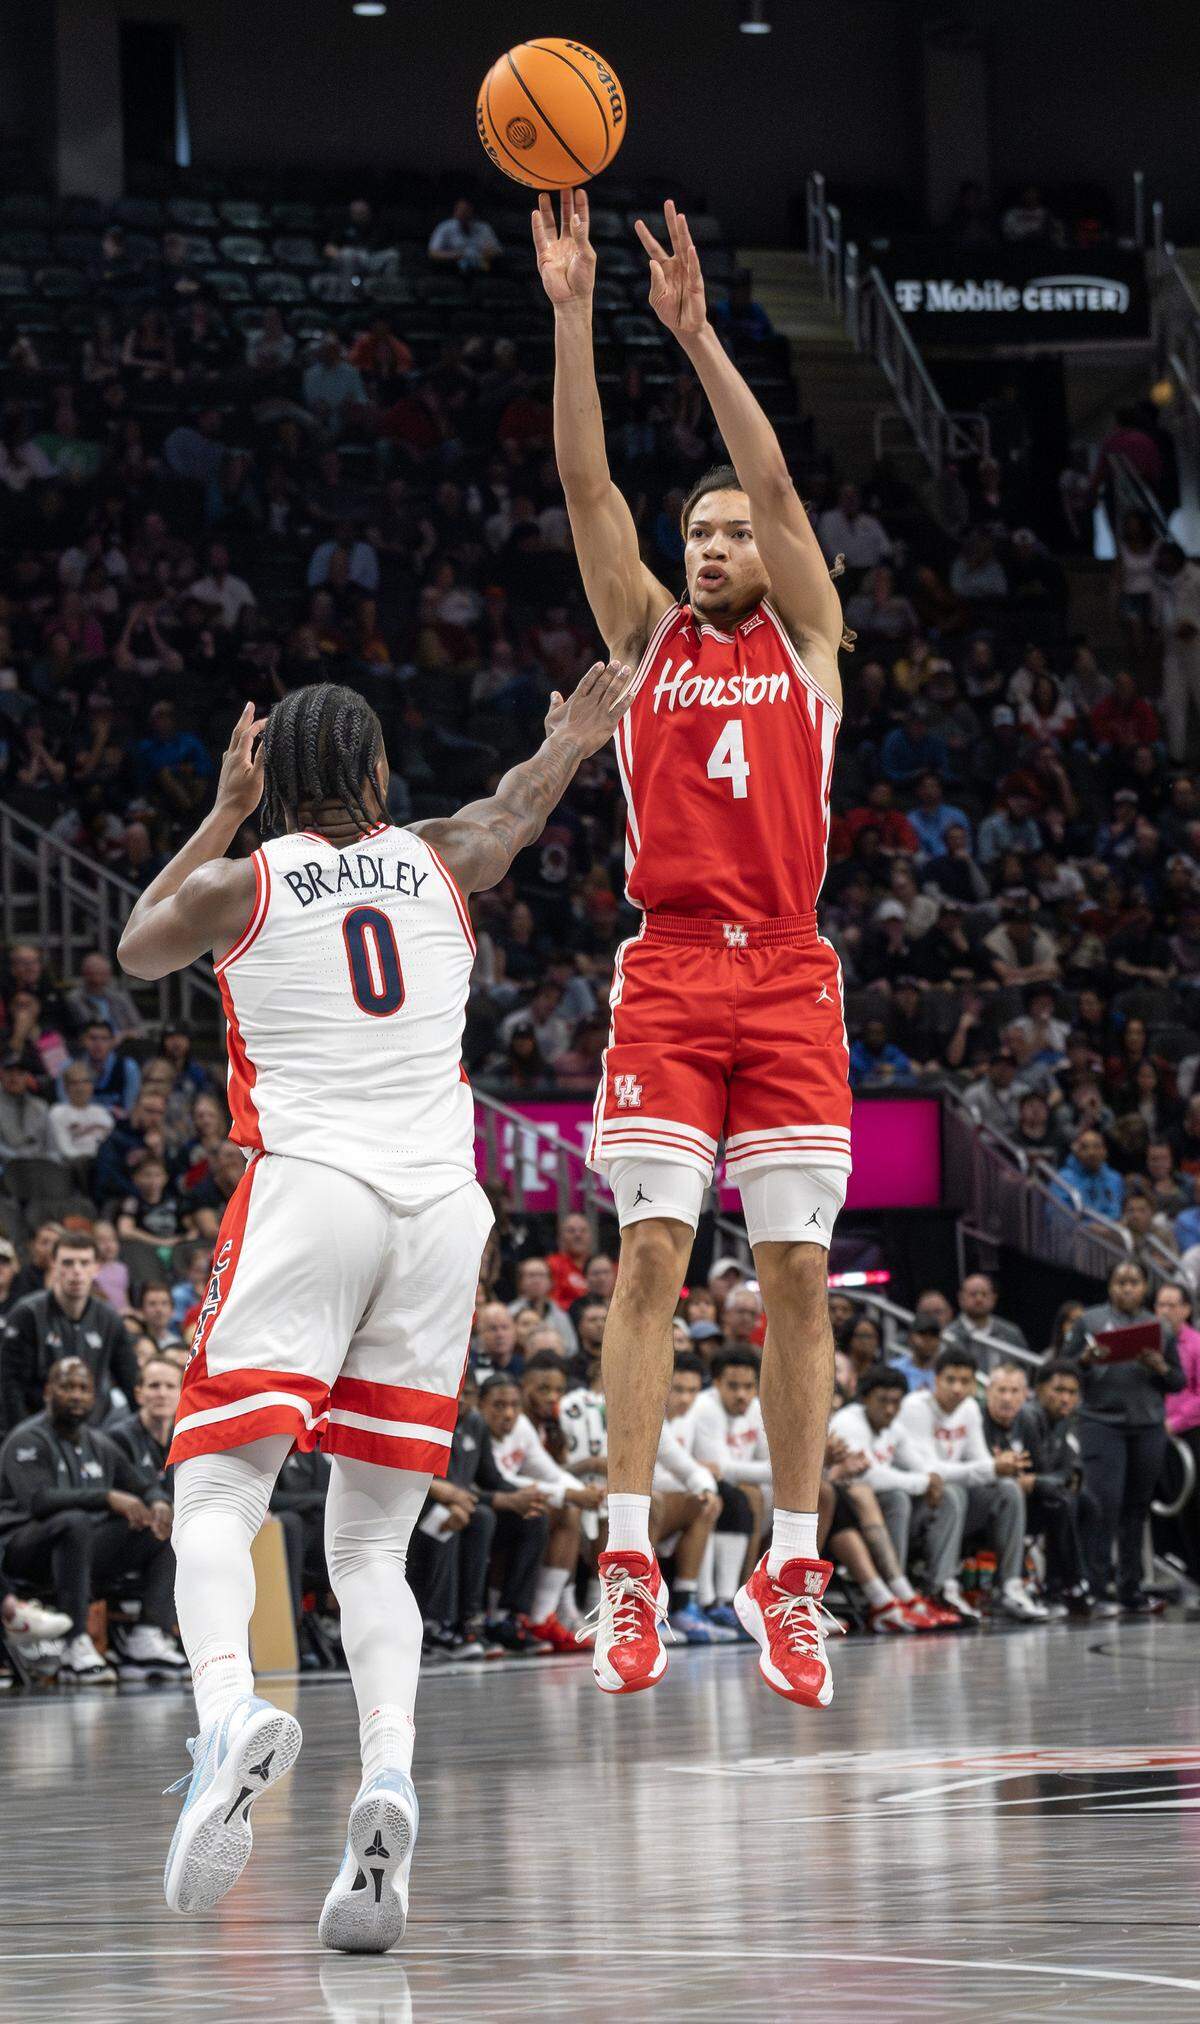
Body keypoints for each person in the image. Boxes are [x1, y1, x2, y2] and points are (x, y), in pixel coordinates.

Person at [116, 665, 633, 1941]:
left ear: (273, 785)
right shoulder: (446, 852)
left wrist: (221, 813)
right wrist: (568, 736)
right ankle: (388, 1779)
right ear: (382, 777)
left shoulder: (247, 880)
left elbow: (136, 945)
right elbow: (516, 804)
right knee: (369, 1545)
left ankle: (231, 1706)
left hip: (315, 1191)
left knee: (221, 1490)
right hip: (442, 1213)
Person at [537, 187, 853, 1709]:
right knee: (653, 1255)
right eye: (704, 532)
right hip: (668, 969)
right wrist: (574, 312)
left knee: (796, 1273)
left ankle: (795, 1567)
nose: (722, 543)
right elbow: (587, 482)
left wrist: (700, 330)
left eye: (736, 530)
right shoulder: (648, 639)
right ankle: (624, 1561)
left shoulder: (806, 645)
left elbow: (786, 489)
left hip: (789, 970)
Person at [0, 1358, 183, 1684]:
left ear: (94, 1398)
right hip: (22, 1550)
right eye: (67, 1386)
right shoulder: (26, 1440)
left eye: (84, 1389)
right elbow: (38, 1501)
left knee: (164, 1530)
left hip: (79, 1548)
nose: (76, 1395)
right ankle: (74, 1644)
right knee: (75, 1521)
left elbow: (142, 1483)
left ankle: (148, 1635)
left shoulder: (99, 1443)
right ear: (48, 1391)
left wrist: (157, 1502)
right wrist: (107, 1497)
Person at [1065, 1259, 1185, 1615]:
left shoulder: (1159, 1327)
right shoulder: (1089, 1320)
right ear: (1110, 1286)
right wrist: (1085, 1360)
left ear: (1145, 1287)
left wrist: (1159, 1366)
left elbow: (1178, 1380)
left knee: (1136, 1509)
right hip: (1102, 1423)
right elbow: (1065, 1369)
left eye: (1134, 1282)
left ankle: (1131, 1589)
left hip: (1147, 1425)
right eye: (1120, 1282)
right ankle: (1098, 1589)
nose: (1127, 1288)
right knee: (1104, 1506)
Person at [897, 1347, 1048, 1623]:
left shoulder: (968, 1409)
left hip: (957, 1509)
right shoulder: (915, 1408)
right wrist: (991, 1467)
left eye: (965, 1381)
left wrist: (1001, 1466)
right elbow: (930, 1472)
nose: (957, 1388)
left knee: (1007, 1489)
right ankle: (941, 1587)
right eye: (950, 1380)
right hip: (914, 1506)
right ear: (935, 1379)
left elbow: (981, 1463)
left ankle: (1010, 1587)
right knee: (952, 1492)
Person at [1, 1231, 140, 1434]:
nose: (76, 1271)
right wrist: (23, 1436)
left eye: (84, 1263)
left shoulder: (110, 1319)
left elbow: (131, 1382)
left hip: (93, 1433)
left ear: (96, 1268)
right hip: (37, 1431)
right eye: (67, 1263)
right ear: (54, 1265)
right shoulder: (27, 1314)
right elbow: (9, 1385)